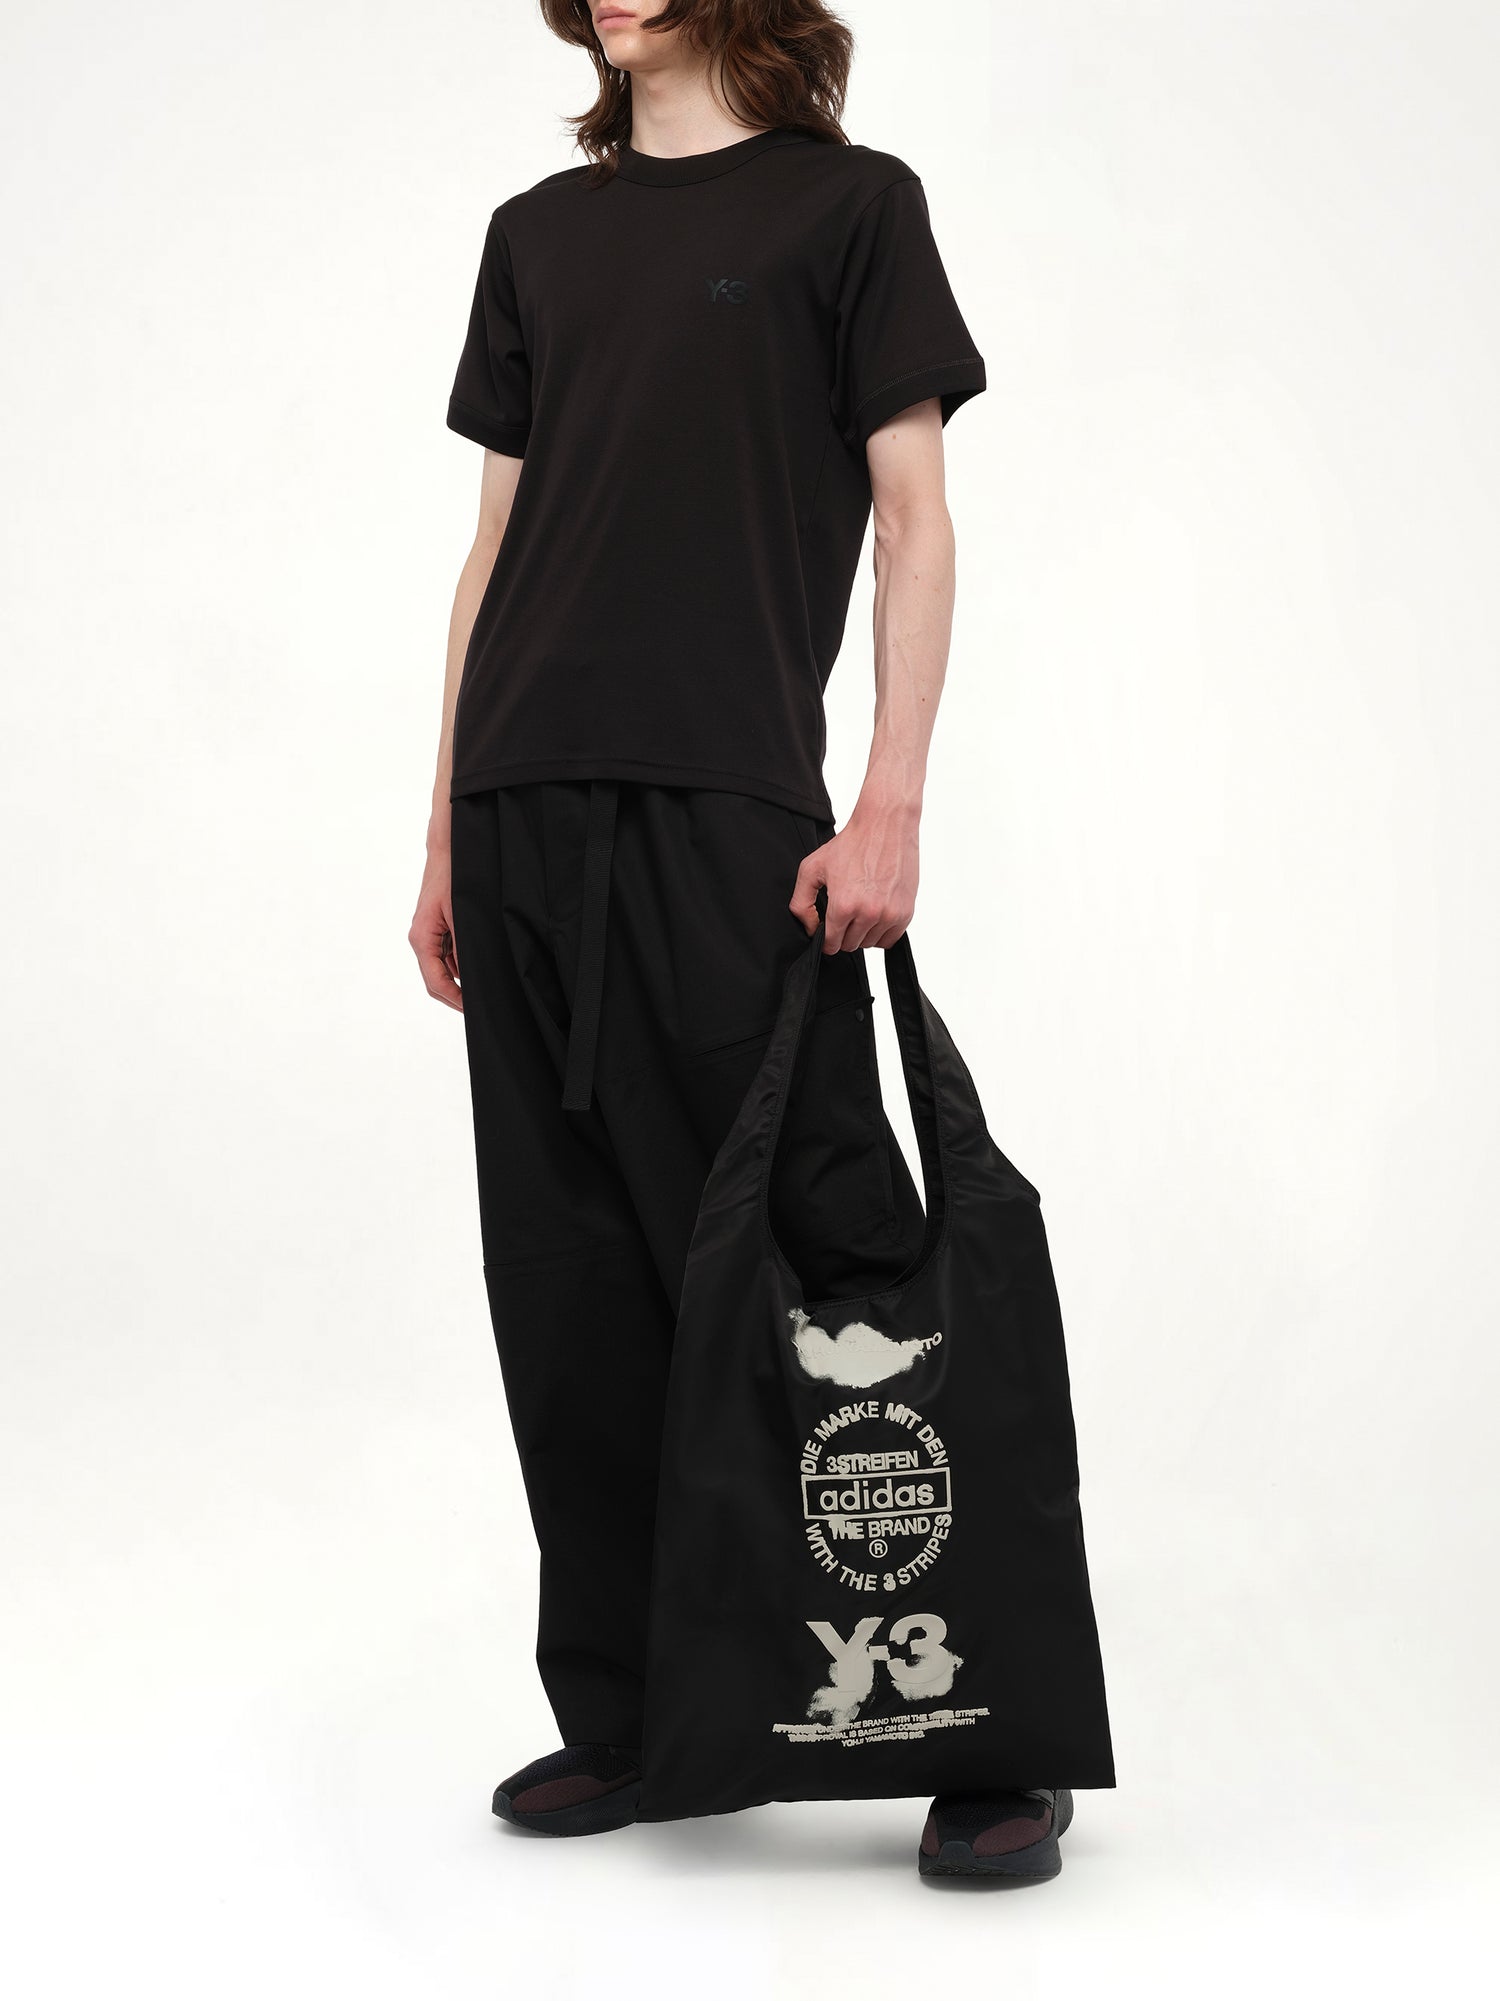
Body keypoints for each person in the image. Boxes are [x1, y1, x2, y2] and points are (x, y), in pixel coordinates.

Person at [411, 0, 1072, 1878]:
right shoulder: (538, 236)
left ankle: (987, 1719)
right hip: (524, 804)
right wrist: (446, 820)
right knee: (570, 1274)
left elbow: (916, 520)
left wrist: (890, 798)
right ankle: (637, 1716)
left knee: (836, 1244)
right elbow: (493, 551)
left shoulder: (851, 210)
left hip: (729, 808)